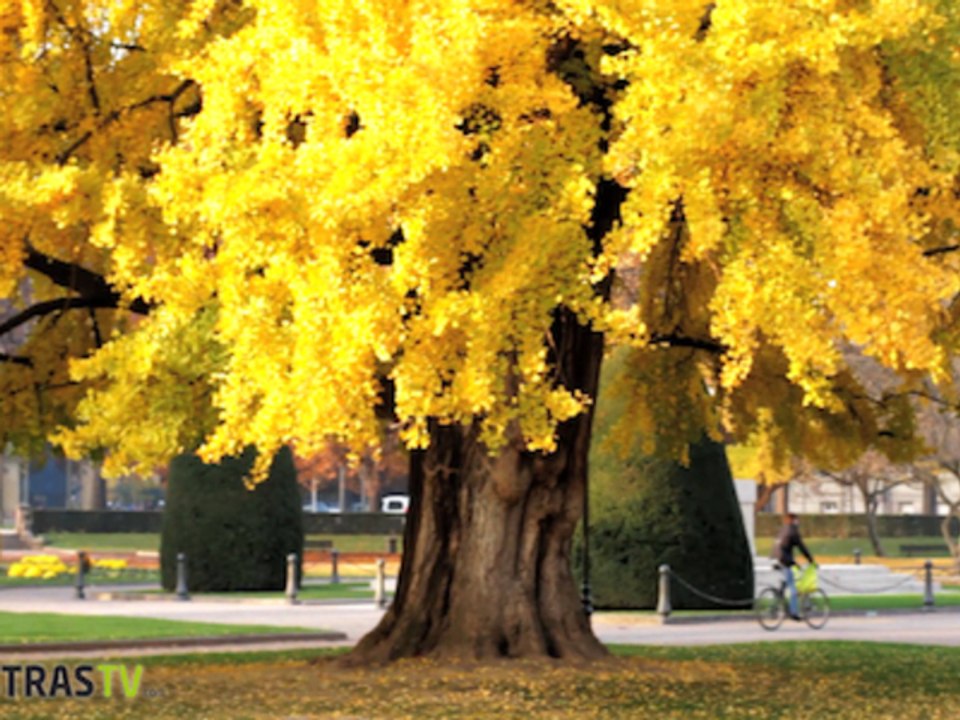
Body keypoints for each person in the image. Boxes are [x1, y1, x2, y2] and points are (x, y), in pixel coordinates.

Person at [773, 512, 815, 620]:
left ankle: (779, 601)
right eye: (797, 520)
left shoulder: (783, 529)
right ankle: (794, 612)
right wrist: (810, 559)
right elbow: (801, 546)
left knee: (785, 583)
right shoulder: (793, 531)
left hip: (776, 557)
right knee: (793, 588)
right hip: (784, 559)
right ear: (792, 520)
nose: (798, 522)